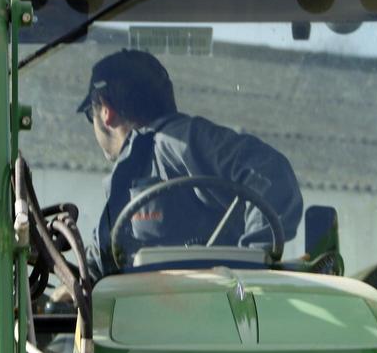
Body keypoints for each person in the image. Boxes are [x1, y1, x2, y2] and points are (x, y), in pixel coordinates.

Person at [77, 49, 303, 269]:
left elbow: (270, 173)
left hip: (212, 302)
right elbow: (109, 250)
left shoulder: (178, 142)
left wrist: (251, 263)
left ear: (106, 111)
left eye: (90, 115)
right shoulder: (135, 166)